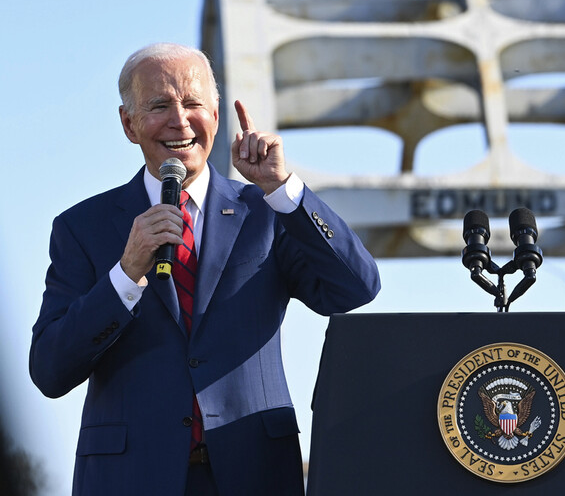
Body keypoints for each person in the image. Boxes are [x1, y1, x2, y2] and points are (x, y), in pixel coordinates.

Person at [29, 43, 381, 496]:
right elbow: (50, 370)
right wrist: (125, 274)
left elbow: (356, 287)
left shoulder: (266, 212)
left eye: (194, 103)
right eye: (159, 105)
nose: (180, 121)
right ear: (128, 124)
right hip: (130, 478)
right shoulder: (83, 227)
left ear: (216, 115)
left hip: (254, 473)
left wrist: (283, 190)